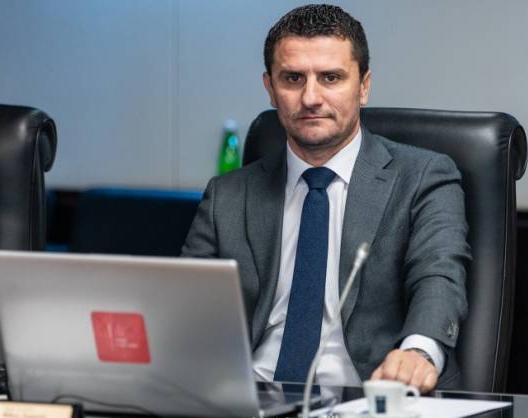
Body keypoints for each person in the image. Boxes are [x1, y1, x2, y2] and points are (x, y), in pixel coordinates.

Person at [182, 4, 470, 393]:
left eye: (330, 78)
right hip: (250, 396)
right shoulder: (227, 195)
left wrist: (418, 351)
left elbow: (438, 276)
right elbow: (185, 309)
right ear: (270, 88)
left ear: (363, 86)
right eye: (293, 78)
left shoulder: (422, 177)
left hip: (368, 399)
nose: (311, 97)